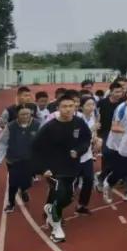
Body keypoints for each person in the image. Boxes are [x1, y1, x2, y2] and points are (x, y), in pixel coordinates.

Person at [32, 94, 92, 243]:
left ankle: (50, 210)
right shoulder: (49, 127)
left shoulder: (79, 122)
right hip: (53, 169)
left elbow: (86, 139)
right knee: (59, 194)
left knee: (68, 198)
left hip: (72, 167)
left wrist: (78, 151)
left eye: (71, 106)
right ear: (58, 108)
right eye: (64, 106)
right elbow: (35, 148)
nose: (68, 109)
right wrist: (42, 169)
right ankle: (57, 229)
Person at [101, 84, 127, 203]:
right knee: (118, 169)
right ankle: (105, 180)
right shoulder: (121, 108)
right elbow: (114, 127)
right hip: (116, 144)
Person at [0, 104, 39, 212]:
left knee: (27, 181)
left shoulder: (37, 125)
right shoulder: (10, 126)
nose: (25, 116)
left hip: (29, 159)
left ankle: (24, 190)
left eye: (27, 114)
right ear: (17, 115)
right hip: (13, 159)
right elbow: (2, 142)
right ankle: (11, 203)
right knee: (13, 182)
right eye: (22, 114)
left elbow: (43, 142)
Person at [74, 95, 101, 214]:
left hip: (87, 155)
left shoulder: (93, 117)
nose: (91, 107)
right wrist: (92, 128)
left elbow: (93, 135)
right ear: (81, 107)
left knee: (89, 180)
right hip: (75, 155)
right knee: (70, 183)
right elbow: (77, 136)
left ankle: (82, 205)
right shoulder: (77, 119)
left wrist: (96, 140)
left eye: (93, 104)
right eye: (88, 105)